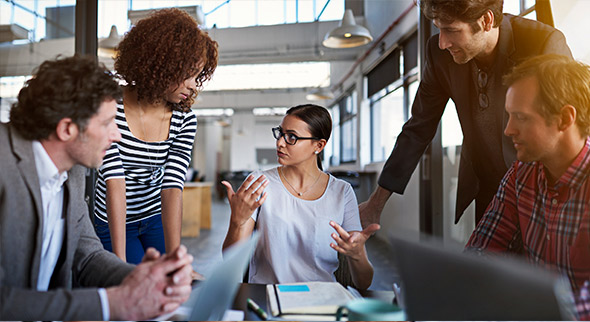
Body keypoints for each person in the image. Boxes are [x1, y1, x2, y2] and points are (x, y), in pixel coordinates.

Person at [0, 55, 194, 320]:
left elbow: (88, 255)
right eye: (107, 123)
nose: (117, 135)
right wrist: (109, 303)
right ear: (67, 129)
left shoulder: (74, 170)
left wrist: (139, 278)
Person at [359, 0, 572, 228]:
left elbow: (571, 129)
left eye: (451, 30)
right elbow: (418, 127)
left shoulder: (542, 44)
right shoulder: (439, 55)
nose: (442, 42)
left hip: (542, 192)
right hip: (490, 191)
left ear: (486, 20)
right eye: (439, 29)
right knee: (482, 261)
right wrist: (375, 205)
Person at [465, 54, 590, 320]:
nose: (508, 130)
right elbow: (483, 249)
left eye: (520, 117)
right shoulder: (522, 173)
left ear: (565, 119)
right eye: (509, 116)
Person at [94, 8, 218, 264]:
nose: (194, 85)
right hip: (114, 219)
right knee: (135, 281)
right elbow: (114, 181)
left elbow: (173, 186)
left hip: (154, 217)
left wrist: (175, 260)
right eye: (188, 74)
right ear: (161, 66)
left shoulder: (184, 119)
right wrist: (118, 265)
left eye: (198, 76)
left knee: (167, 277)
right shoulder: (108, 105)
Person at [222, 104, 380, 290]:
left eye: (291, 137)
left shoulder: (341, 192)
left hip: (320, 300)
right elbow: (231, 260)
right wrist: (237, 222)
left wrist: (357, 254)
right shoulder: (259, 183)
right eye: (280, 133)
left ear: (318, 145)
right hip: (267, 296)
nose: (280, 142)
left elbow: (364, 282)